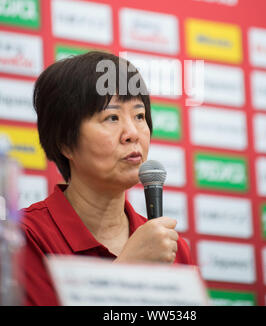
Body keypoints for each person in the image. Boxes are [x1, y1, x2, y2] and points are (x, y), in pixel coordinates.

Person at [19, 51, 193, 306]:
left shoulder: (169, 246)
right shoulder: (26, 238)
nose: (132, 133)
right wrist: (126, 270)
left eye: (139, 116)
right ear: (65, 142)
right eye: (112, 117)